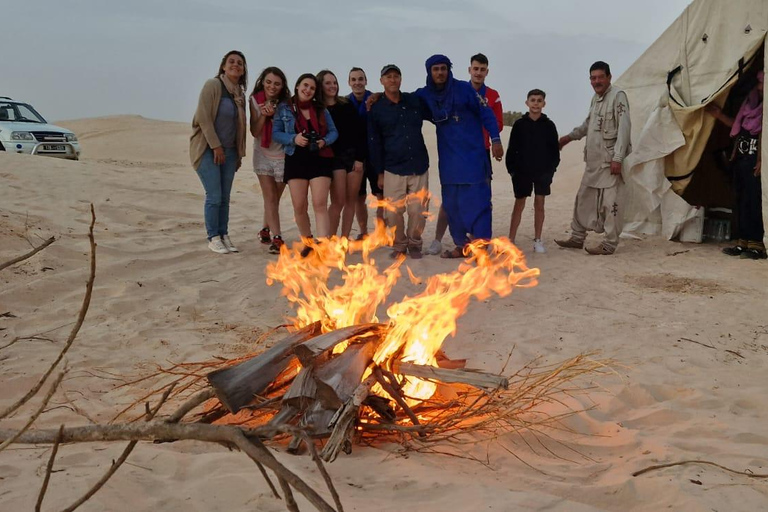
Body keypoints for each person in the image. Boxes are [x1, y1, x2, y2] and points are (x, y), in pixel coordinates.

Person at [415, 54, 504, 258]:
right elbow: (403, 101)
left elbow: (486, 114)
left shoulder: (465, 89)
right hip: (449, 162)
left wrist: (496, 139)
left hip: (473, 158)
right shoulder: (425, 95)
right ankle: (462, 245)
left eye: (443, 68)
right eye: (436, 69)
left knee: (478, 203)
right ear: (429, 72)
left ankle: (480, 247)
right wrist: (377, 97)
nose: (440, 72)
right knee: (452, 204)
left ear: (449, 70)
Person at [556, 61, 631, 255]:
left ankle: (609, 244)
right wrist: (567, 138)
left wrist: (618, 157)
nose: (596, 81)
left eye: (600, 77)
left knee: (611, 203)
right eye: (593, 78)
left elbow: (624, 128)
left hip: (609, 163)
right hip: (593, 164)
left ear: (609, 77)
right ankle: (577, 237)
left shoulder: (618, 97)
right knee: (583, 199)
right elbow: (587, 125)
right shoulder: (595, 100)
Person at [272, 73, 338, 256]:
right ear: (297, 86)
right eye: (305, 86)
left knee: (319, 203)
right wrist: (294, 138)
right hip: (296, 158)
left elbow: (334, 132)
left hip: (319, 157)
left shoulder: (320, 109)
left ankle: (323, 244)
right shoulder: (284, 108)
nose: (308, 90)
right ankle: (308, 242)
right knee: (299, 205)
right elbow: (276, 133)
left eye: (312, 88)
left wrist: (323, 141)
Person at [368, 64, 430, 259]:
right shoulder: (376, 108)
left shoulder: (414, 100)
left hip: (418, 166)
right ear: (382, 81)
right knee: (393, 213)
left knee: (418, 211)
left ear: (401, 79)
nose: (392, 79)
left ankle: (414, 243)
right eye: (388, 77)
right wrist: (379, 173)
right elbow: (375, 142)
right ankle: (400, 244)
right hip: (392, 168)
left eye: (396, 76)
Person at [190, 50, 248, 254]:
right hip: (207, 149)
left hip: (230, 152)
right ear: (223, 66)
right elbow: (203, 118)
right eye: (231, 61)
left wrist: (239, 154)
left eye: (240, 63)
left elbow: (240, 128)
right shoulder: (213, 86)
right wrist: (216, 146)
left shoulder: (239, 94)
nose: (236, 65)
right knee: (214, 195)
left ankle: (224, 234)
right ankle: (213, 236)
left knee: (225, 197)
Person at [707, 70, 765, 260]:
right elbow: (737, 128)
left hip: (754, 160)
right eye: (759, 83)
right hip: (740, 158)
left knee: (753, 201)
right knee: (740, 200)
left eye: (762, 83)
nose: (759, 87)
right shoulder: (749, 105)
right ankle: (742, 242)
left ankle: (757, 244)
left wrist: (760, 160)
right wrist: (718, 115)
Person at [506, 89, 560, 253]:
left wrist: (551, 170)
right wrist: (512, 171)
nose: (536, 103)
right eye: (533, 100)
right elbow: (511, 149)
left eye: (539, 100)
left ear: (544, 103)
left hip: (542, 172)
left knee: (539, 204)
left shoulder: (549, 125)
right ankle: (511, 239)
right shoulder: (519, 124)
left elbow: (554, 151)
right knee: (519, 204)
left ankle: (538, 240)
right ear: (527, 103)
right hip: (522, 172)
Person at [317, 70, 367, 238]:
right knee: (337, 201)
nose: (332, 86)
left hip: (353, 158)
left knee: (351, 200)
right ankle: (330, 239)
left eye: (334, 82)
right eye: (328, 83)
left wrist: (359, 159)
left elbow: (360, 133)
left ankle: (344, 238)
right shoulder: (318, 109)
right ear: (320, 86)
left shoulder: (346, 104)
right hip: (333, 160)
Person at [249, 67, 291, 254]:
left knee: (275, 198)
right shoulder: (255, 100)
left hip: (282, 155)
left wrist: (276, 116)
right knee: (270, 197)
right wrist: (264, 115)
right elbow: (254, 131)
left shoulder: (287, 104)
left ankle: (265, 229)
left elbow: (290, 131)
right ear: (262, 82)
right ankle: (277, 238)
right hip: (263, 153)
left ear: (282, 86)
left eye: (276, 83)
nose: (272, 86)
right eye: (268, 82)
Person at [347, 67, 383, 239]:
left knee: (381, 196)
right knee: (358, 197)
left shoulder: (376, 100)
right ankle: (363, 232)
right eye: (353, 79)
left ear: (366, 81)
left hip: (376, 156)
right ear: (349, 83)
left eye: (360, 79)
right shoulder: (345, 103)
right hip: (356, 158)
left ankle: (382, 232)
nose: (357, 83)